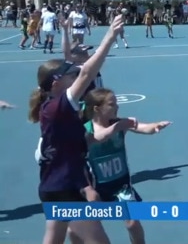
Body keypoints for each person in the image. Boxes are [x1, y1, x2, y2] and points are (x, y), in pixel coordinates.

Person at [28, 15, 123, 244]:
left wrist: (109, 132)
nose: (75, 76)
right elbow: (87, 73)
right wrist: (109, 37)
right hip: (65, 187)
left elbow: (77, 141)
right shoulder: (57, 107)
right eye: (70, 75)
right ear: (56, 83)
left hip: (54, 184)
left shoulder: (57, 109)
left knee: (54, 239)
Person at [82, 87, 171, 244]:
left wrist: (155, 126)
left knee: (132, 223)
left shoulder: (119, 124)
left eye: (116, 103)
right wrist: (121, 125)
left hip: (121, 186)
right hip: (96, 187)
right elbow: (97, 139)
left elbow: (142, 127)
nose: (117, 107)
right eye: (112, 104)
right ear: (97, 109)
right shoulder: (86, 130)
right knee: (90, 226)